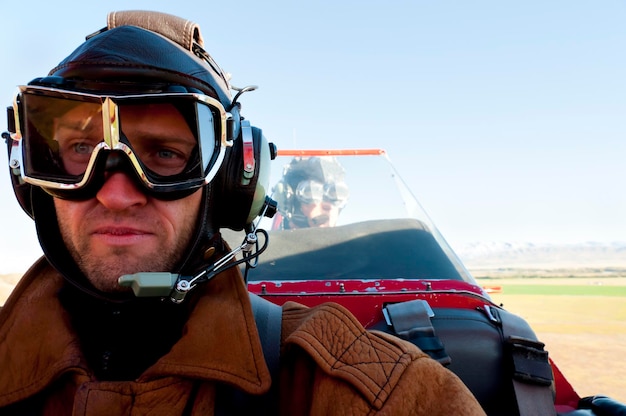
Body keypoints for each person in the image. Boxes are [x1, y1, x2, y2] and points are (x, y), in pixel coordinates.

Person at [0, 10, 486, 415]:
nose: (116, 194)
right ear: (32, 178)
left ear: (234, 182)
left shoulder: (357, 392)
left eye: (166, 155)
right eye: (82, 149)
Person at [271, 156, 349, 229]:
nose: (328, 205)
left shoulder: (354, 241)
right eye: (311, 192)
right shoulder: (267, 242)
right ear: (290, 200)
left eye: (335, 194)